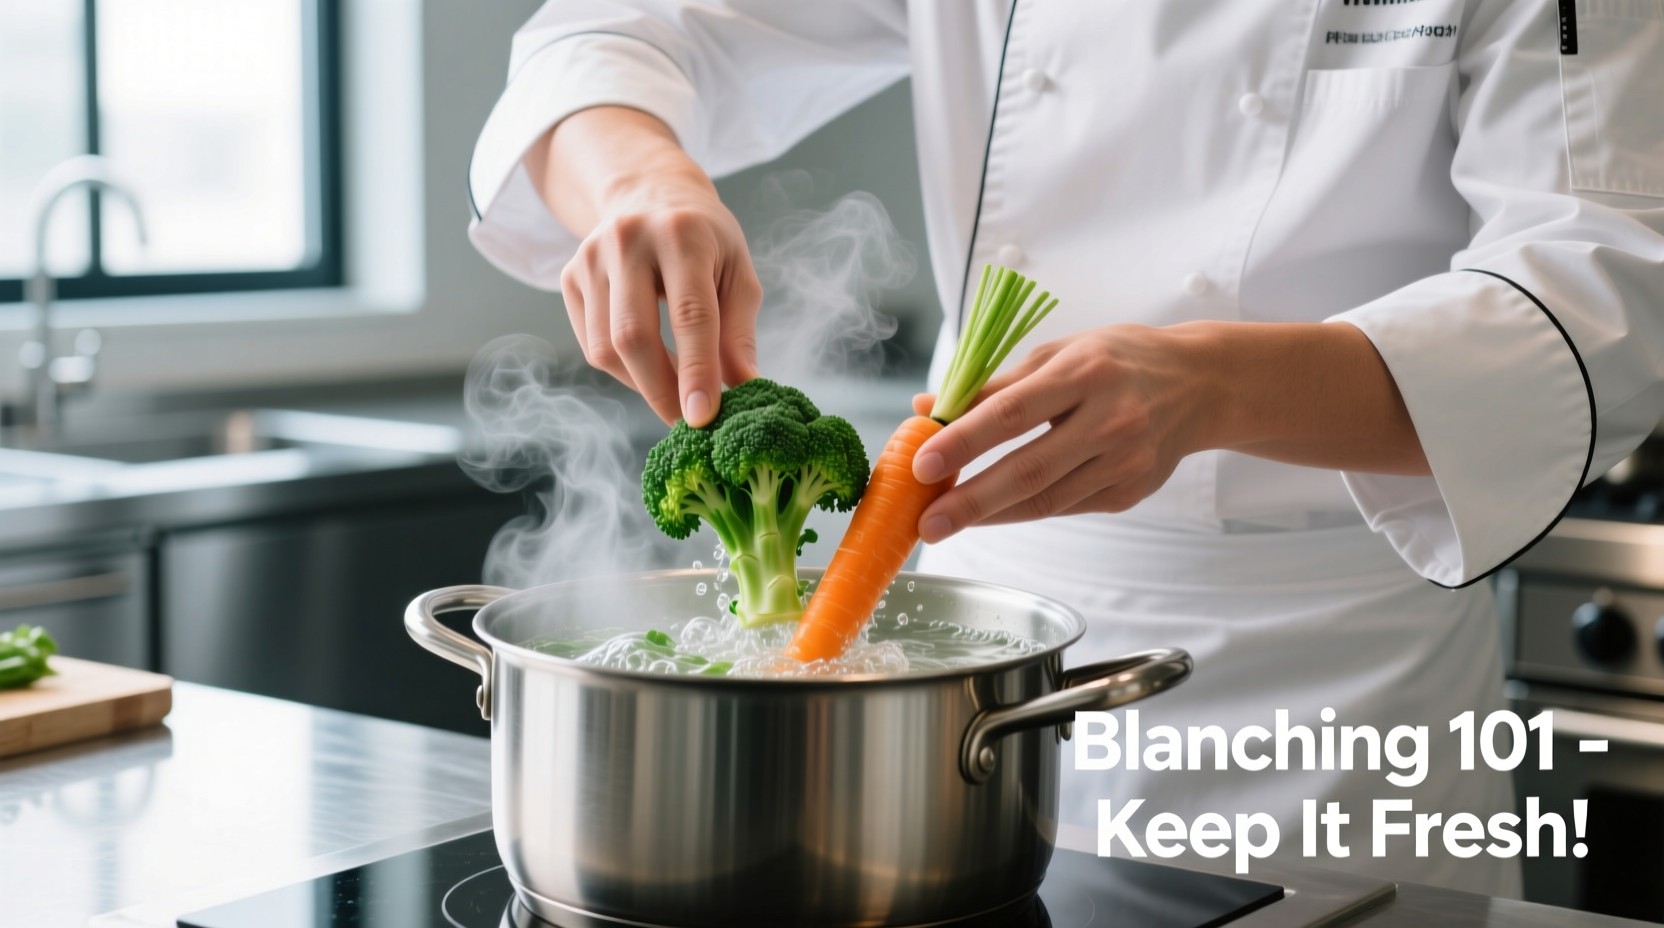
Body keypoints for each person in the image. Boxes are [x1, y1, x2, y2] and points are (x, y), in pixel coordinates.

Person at [466, 2, 1664, 896]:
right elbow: (609, 32)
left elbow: (1598, 300)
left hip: (1337, 704)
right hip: (962, 685)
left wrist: (1211, 387)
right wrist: (639, 174)